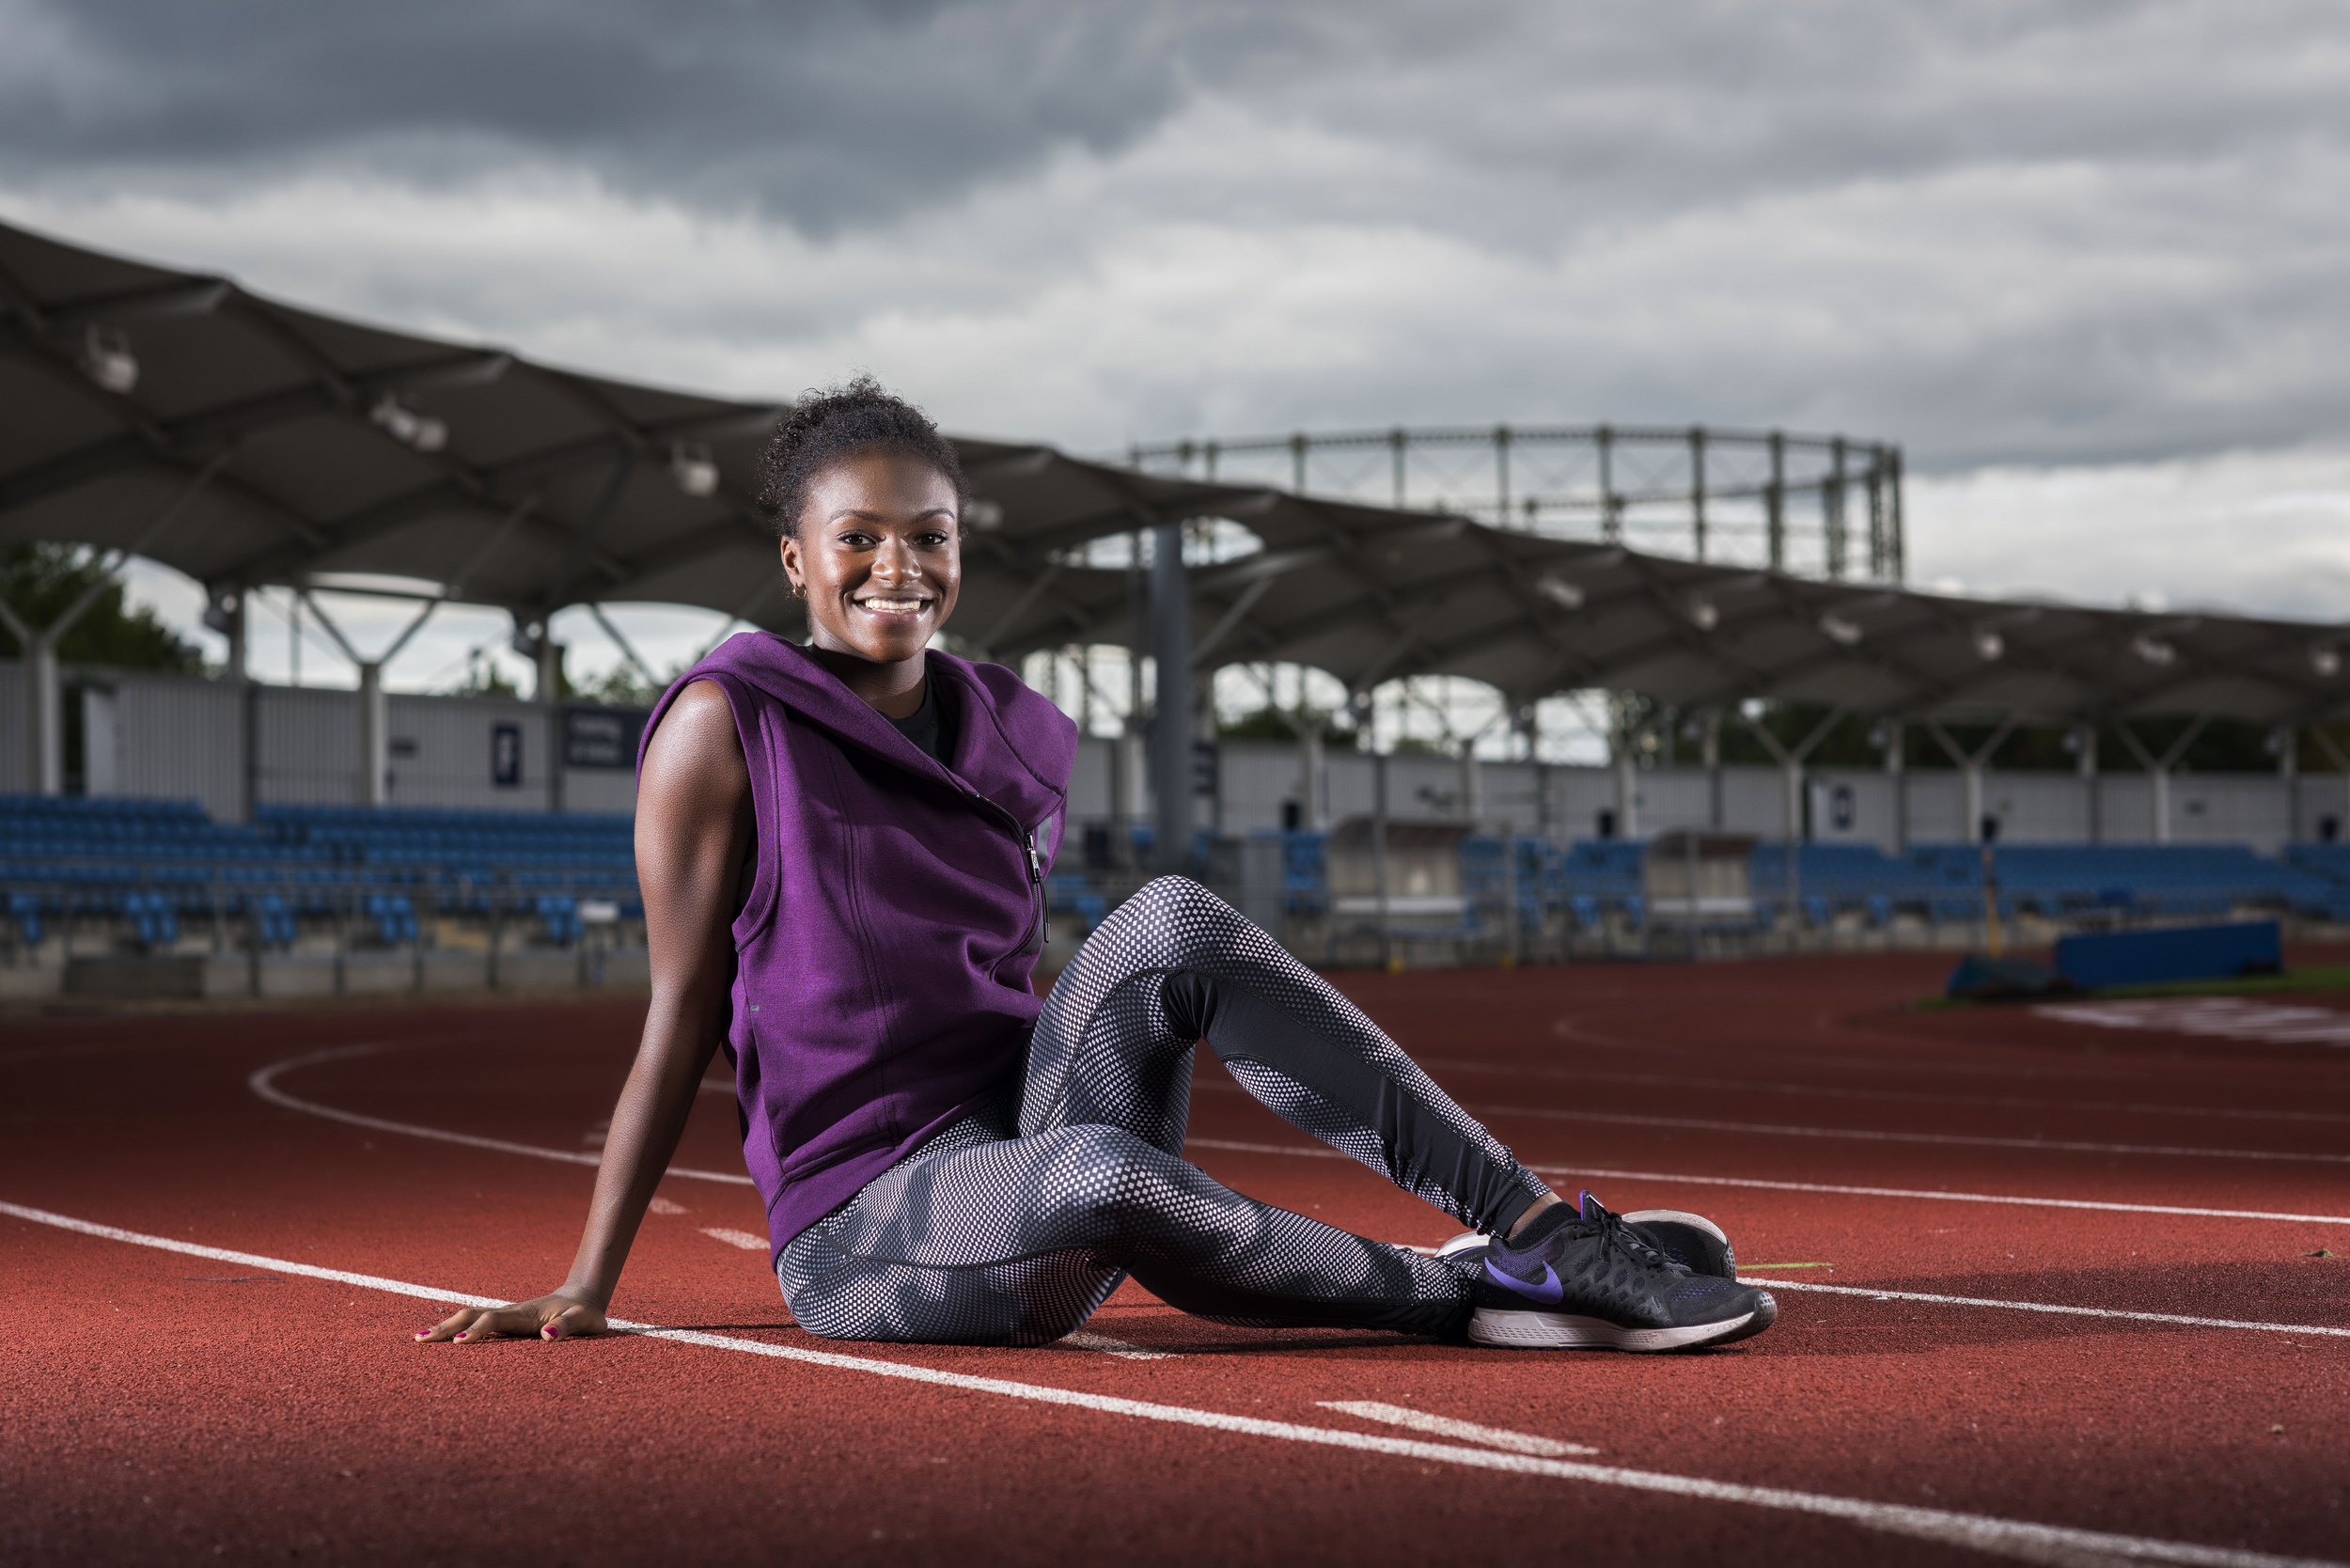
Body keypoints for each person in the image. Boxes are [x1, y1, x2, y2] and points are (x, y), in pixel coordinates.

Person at [417, 378, 1777, 1355]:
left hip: (1030, 1131)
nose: (899, 566)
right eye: (859, 540)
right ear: (797, 562)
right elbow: (678, 1013)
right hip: (870, 1226)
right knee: (1099, 1178)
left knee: (1172, 920)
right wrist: (588, 1280)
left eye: (930, 535)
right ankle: (1455, 1293)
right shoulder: (725, 726)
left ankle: (1534, 1230)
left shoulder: (1002, 724)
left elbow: (1012, 985)